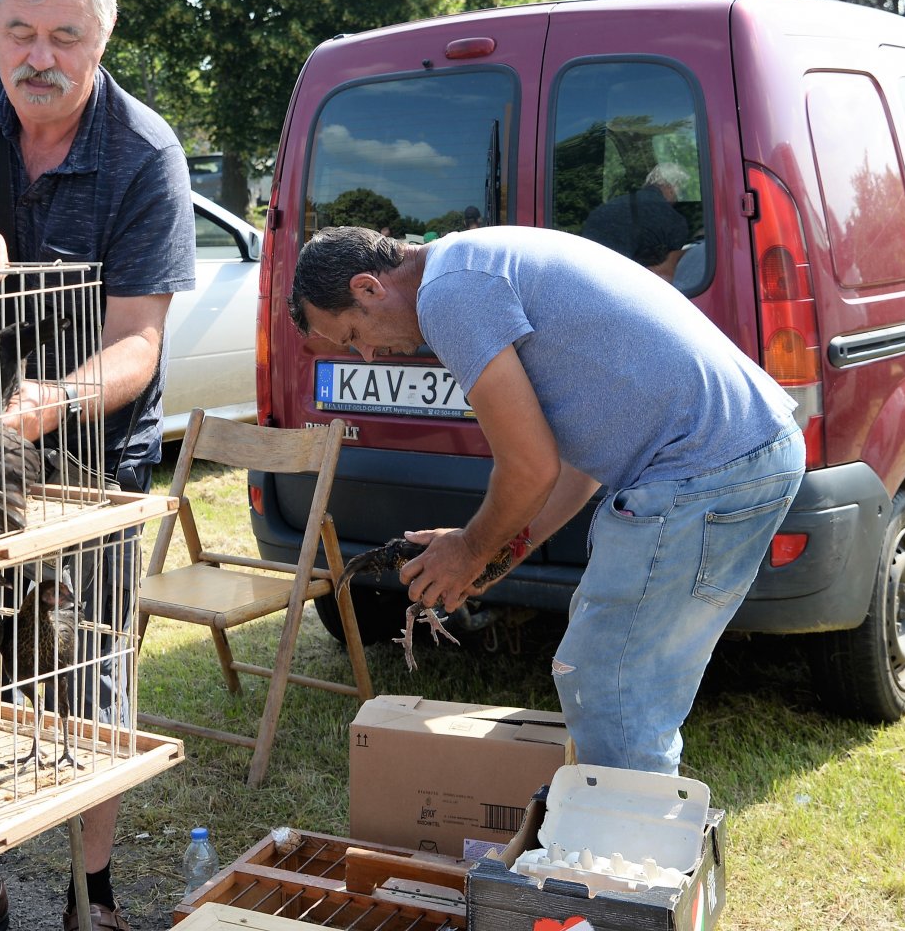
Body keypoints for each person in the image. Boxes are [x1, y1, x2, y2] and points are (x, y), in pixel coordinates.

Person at [0, 0, 195, 931]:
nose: (39, 57)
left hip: (92, 456)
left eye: (64, 36)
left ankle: (91, 893)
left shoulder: (145, 154)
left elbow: (139, 342)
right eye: (19, 32)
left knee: (88, 665)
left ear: (101, 38)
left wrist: (50, 402)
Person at [288, 225, 803, 775]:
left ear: (368, 288)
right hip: (746, 454)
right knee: (616, 679)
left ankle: (625, 828)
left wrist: (471, 549)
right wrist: (501, 552)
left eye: (353, 335)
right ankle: (627, 818)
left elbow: (529, 468)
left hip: (706, 467)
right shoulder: (472, 262)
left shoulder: (448, 293)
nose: (367, 355)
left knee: (611, 689)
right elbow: (575, 464)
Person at [580, 162, 691, 280]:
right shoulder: (675, 221)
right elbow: (671, 271)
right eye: (681, 191)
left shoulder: (604, 209)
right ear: (671, 188)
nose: (679, 197)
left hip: (590, 279)